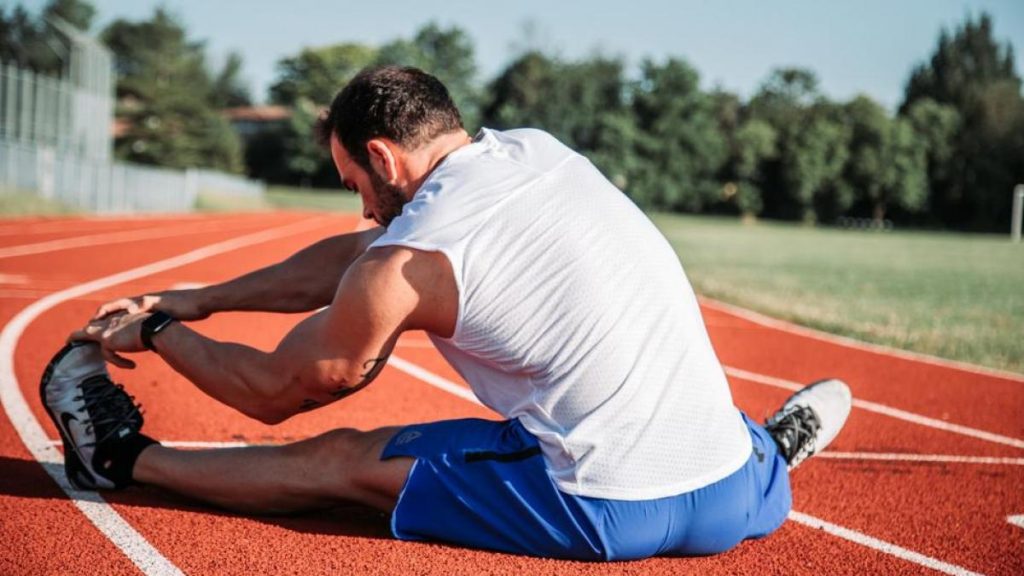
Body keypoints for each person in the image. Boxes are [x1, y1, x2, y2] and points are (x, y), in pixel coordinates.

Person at [42, 66, 851, 561]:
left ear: (385, 159)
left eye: (354, 184)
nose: (360, 208)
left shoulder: (405, 261)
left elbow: (275, 389)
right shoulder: (535, 151)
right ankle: (770, 453)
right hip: (729, 498)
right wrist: (202, 298)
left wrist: (158, 330)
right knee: (671, 390)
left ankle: (119, 460)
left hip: (602, 504)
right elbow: (360, 257)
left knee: (339, 461)